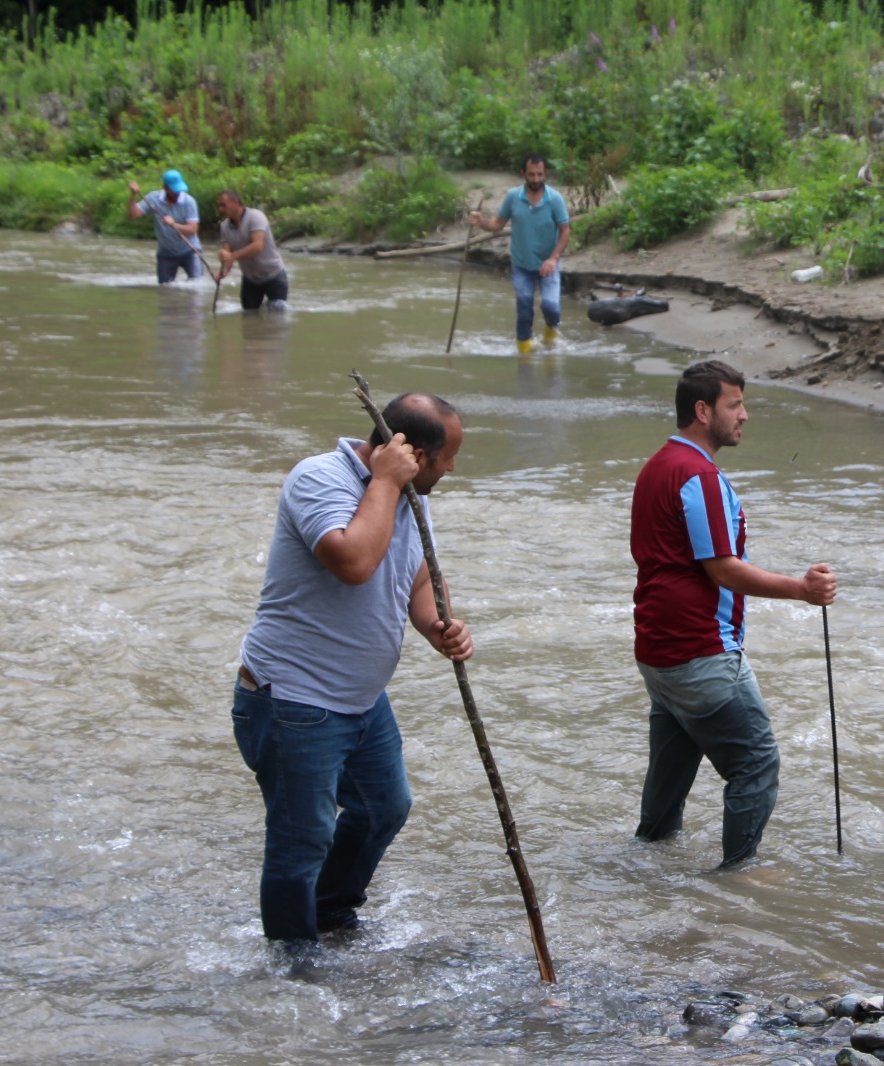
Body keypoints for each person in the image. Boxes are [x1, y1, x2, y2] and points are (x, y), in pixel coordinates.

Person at [232, 393, 473, 943]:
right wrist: (385, 483)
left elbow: (414, 574)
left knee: (383, 807)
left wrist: (439, 625)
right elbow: (354, 562)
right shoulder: (319, 479)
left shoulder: (411, 494)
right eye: (448, 456)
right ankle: (294, 962)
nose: (453, 468)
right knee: (302, 838)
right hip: (294, 698)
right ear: (409, 453)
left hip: (360, 698)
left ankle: (330, 913)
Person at [629, 360, 837, 869]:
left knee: (672, 769)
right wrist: (802, 590)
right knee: (756, 761)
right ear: (703, 411)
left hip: (658, 652)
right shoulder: (699, 475)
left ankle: (644, 865)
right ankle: (737, 876)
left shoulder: (657, 465)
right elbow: (723, 569)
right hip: (700, 649)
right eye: (734, 405)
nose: (744, 415)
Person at [469, 154, 570, 354]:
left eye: (540, 174)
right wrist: (481, 222)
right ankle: (524, 355)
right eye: (531, 174)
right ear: (522, 174)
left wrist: (553, 258)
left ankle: (550, 333)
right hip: (522, 264)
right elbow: (498, 224)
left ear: (546, 173)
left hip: (548, 263)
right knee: (524, 309)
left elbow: (565, 230)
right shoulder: (513, 197)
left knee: (552, 308)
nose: (536, 179)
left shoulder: (555, 198)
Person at [215, 190, 289, 311]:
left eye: (223, 205)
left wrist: (231, 256)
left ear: (235, 202)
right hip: (250, 280)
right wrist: (224, 271)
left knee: (278, 321)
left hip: (274, 276)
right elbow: (228, 256)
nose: (221, 209)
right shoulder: (224, 226)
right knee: (249, 320)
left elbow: (257, 246)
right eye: (219, 205)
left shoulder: (256, 217)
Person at [127, 168, 203, 284]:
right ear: (165, 187)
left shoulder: (189, 202)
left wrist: (174, 224)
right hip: (166, 253)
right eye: (174, 190)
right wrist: (133, 196)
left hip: (190, 251)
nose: (177, 193)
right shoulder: (154, 199)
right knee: (164, 290)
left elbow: (192, 230)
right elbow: (133, 215)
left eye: (179, 190)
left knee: (198, 286)